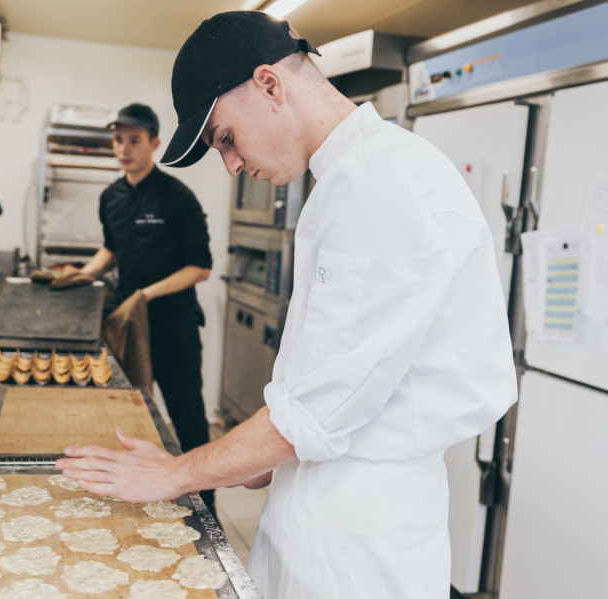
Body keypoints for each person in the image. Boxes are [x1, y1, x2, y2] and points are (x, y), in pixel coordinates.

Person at [57, 11, 518, 599]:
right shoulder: (346, 181)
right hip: (317, 507)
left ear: (270, 84)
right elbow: (345, 384)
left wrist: (177, 472)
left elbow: (315, 413)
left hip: (357, 544)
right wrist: (255, 458)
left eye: (224, 138)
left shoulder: (383, 187)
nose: (231, 164)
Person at [75, 102, 217, 515]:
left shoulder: (177, 197)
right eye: (118, 140)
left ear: (154, 143)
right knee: (134, 414)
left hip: (173, 327)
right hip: (128, 330)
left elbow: (201, 268)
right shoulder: (111, 198)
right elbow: (112, 249)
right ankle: (144, 492)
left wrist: (147, 294)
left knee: (187, 419)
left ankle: (206, 509)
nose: (124, 148)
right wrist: (81, 275)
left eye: (134, 140)